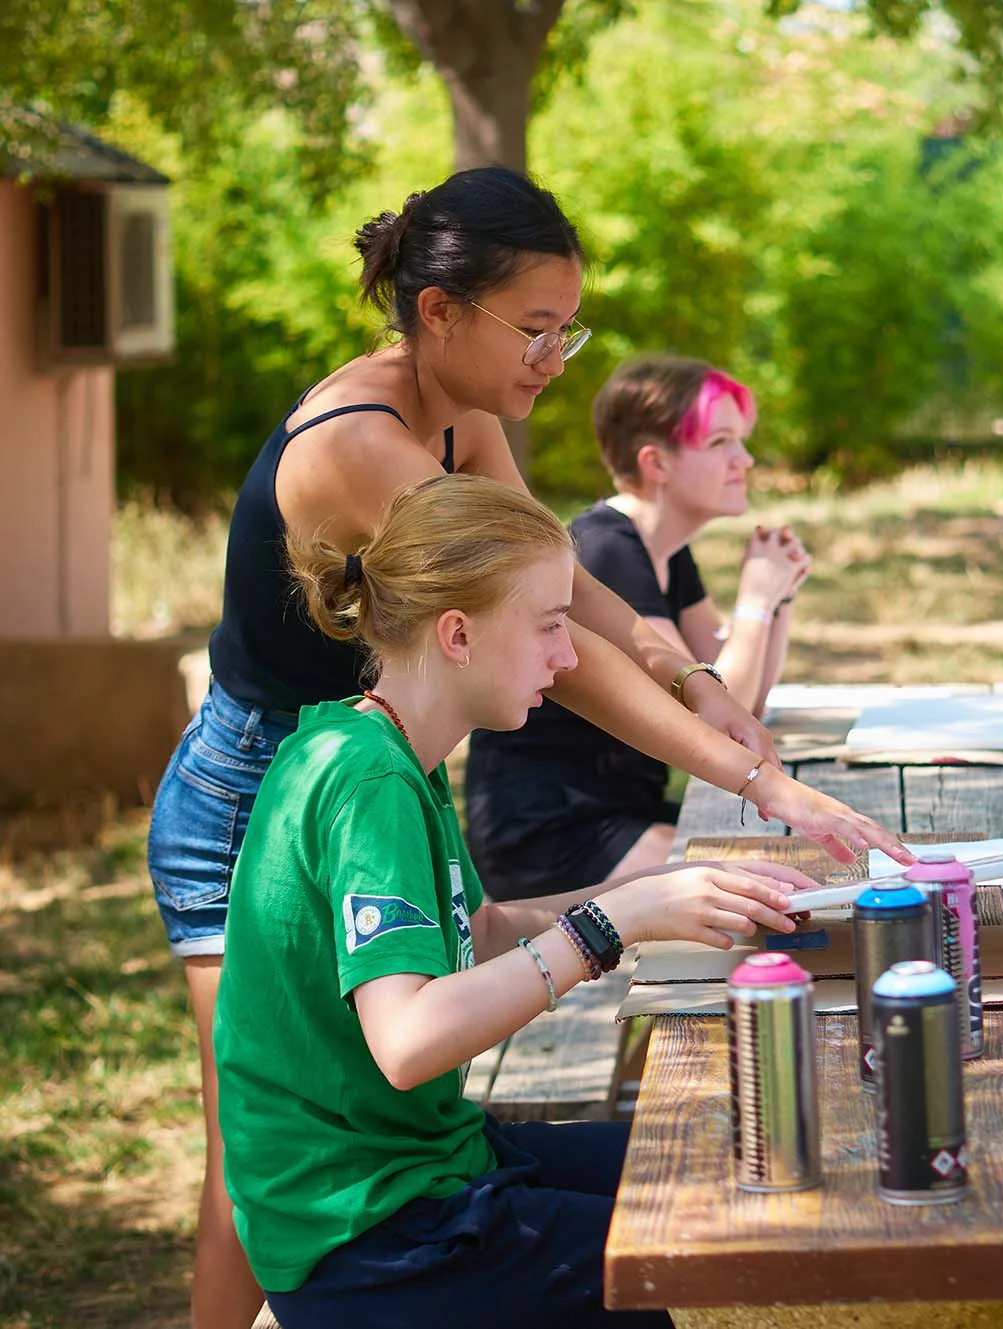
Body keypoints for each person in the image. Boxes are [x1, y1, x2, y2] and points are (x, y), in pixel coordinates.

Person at [146, 166, 907, 1329]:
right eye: (538, 328)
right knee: (256, 1154)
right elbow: (549, 632)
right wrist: (745, 785)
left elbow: (551, 577)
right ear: (440, 310)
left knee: (375, 1120)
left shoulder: (464, 415)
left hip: (364, 745)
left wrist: (692, 676)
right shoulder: (359, 456)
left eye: (569, 326)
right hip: (254, 779)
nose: (558, 358)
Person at [214, 472, 810, 1327]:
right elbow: (411, 1037)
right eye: (551, 626)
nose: (569, 659)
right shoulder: (369, 778)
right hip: (371, 1234)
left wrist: (657, 895)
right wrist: (612, 925)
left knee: (722, 1153)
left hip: (426, 1165)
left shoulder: (383, 742)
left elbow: (482, 927)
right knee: (683, 1261)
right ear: (457, 633)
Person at [467, 355, 810, 897]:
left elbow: (742, 709)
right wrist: (755, 600)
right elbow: (708, 717)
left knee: (793, 867)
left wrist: (779, 598)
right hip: (558, 829)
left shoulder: (666, 552)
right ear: (657, 463)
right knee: (776, 886)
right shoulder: (606, 548)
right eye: (721, 442)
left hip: (624, 809)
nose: (744, 458)